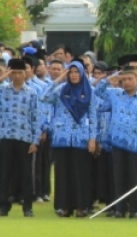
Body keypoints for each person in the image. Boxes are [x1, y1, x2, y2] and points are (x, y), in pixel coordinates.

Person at [0, 58, 42, 217]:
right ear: (10, 73)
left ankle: (27, 207)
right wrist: (0, 78)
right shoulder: (1, 90)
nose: (18, 76)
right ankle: (3, 206)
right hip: (5, 136)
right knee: (4, 173)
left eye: (21, 72)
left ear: (26, 73)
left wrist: (35, 140)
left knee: (26, 174)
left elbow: (36, 118)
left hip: (24, 137)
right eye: (14, 72)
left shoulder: (32, 93)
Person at [92, 67, 137, 218]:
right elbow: (97, 91)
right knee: (118, 178)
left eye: (130, 79)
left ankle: (135, 209)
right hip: (117, 143)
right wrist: (109, 80)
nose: (126, 82)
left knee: (135, 177)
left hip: (135, 144)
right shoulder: (115, 94)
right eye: (123, 80)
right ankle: (119, 209)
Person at [41, 61, 95, 218]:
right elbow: (44, 97)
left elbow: (93, 116)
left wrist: (93, 138)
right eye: (70, 72)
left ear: (82, 73)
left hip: (81, 138)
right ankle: (64, 207)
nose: (73, 75)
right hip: (62, 138)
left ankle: (81, 206)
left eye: (76, 72)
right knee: (63, 174)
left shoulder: (89, 91)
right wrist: (59, 79)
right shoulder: (60, 90)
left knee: (81, 173)